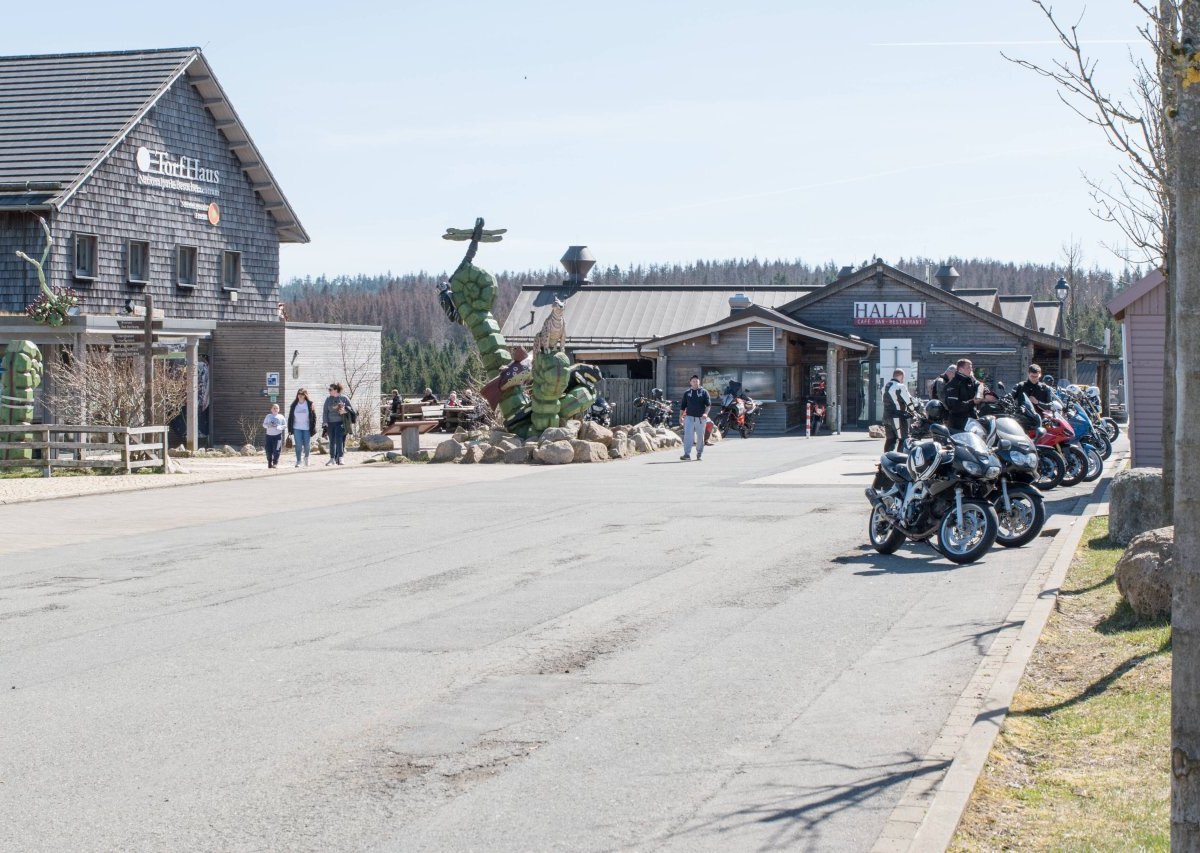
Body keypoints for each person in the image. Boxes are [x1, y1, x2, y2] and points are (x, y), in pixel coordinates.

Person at [943, 358, 983, 431]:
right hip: (958, 424)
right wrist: (973, 402)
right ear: (960, 370)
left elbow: (980, 386)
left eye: (971, 368)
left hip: (972, 421)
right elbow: (955, 407)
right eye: (968, 368)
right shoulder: (952, 385)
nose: (971, 370)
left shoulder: (970, 382)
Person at [881, 368, 914, 452]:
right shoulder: (900, 386)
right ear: (901, 376)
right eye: (903, 377)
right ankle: (900, 460)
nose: (903, 380)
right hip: (898, 416)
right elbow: (909, 401)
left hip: (886, 416)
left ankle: (887, 460)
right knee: (903, 438)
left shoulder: (884, 387)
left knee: (890, 440)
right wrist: (913, 410)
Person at [679, 375, 711, 461]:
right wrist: (681, 417)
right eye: (693, 381)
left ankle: (699, 453)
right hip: (689, 417)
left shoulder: (704, 392)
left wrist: (705, 414)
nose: (695, 382)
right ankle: (687, 454)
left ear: (699, 382)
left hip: (701, 418)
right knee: (688, 436)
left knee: (700, 436)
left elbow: (708, 405)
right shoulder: (687, 393)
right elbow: (683, 406)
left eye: (696, 381)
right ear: (690, 383)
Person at [323, 382, 354, 466]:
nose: (329, 391)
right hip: (330, 423)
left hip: (340, 422)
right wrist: (325, 423)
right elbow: (325, 411)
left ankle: (341, 458)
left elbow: (351, 409)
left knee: (339, 440)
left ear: (336, 390)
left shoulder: (344, 398)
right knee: (332, 441)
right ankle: (332, 459)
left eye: (330, 389)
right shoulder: (328, 399)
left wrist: (344, 410)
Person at [288, 387, 316, 467]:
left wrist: (313, 427)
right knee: (298, 445)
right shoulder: (294, 405)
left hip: (307, 428)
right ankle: (298, 461)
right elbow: (290, 418)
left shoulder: (310, 404)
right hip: (296, 427)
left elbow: (314, 417)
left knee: (307, 445)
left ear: (305, 395)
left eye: (302, 394)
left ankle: (306, 458)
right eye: (299, 394)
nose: (300, 395)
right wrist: (290, 429)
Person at [262, 403, 286, 469]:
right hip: (269, 436)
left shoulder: (281, 417)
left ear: (279, 409)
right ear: (271, 409)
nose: (275, 409)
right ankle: (269, 462)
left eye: (277, 408)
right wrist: (268, 425)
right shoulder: (268, 416)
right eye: (274, 408)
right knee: (268, 450)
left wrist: (280, 427)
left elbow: (285, 425)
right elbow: (264, 425)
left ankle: (275, 463)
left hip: (278, 436)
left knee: (277, 449)